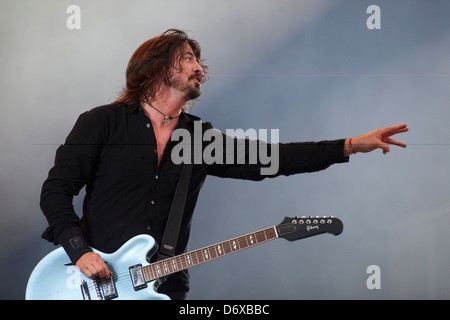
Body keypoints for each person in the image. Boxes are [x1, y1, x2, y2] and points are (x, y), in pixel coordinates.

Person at [40, 29, 408, 300]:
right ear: (155, 67)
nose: (198, 68)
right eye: (187, 58)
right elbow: (56, 191)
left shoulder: (199, 139)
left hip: (165, 285)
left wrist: (348, 146)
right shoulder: (102, 121)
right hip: (90, 279)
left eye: (198, 61)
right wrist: (80, 250)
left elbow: (273, 158)